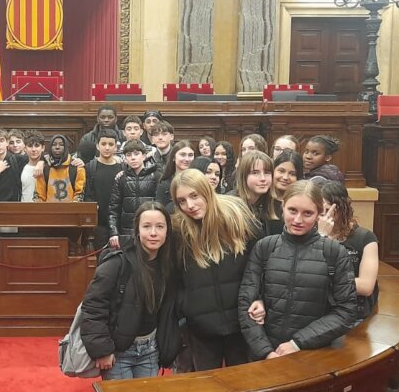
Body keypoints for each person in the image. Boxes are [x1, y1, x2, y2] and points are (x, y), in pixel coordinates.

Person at [238, 180, 358, 360]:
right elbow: (245, 303)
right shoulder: (265, 247)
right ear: (283, 207)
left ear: (319, 214)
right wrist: (265, 351)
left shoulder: (333, 252)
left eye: (307, 213)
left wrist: (297, 343)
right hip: (264, 354)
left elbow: (346, 311)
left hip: (311, 353)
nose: (298, 220)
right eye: (292, 210)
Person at [170, 170, 265, 371]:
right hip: (201, 328)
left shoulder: (239, 218)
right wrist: (186, 307)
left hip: (243, 322)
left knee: (244, 381)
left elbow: (261, 265)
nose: (190, 205)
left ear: (207, 191)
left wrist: (260, 298)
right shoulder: (179, 231)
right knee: (207, 383)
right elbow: (175, 278)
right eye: (182, 201)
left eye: (194, 196)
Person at [81, 202, 173, 380]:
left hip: (150, 350)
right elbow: (93, 308)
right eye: (147, 226)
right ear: (137, 230)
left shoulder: (167, 263)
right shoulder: (117, 262)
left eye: (160, 227)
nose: (153, 233)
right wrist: (102, 350)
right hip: (119, 352)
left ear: (167, 231)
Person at [319, 181, 379, 323]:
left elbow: (366, 286)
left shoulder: (365, 238)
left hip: (353, 309)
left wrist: (326, 281)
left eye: (326, 210)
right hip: (320, 307)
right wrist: (321, 236)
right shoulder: (314, 234)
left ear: (341, 208)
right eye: (317, 211)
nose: (321, 217)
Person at [108, 139, 158, 250]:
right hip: (127, 232)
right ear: (125, 158)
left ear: (144, 156)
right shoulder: (121, 178)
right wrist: (114, 232)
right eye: (129, 155)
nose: (133, 158)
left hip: (150, 229)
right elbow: (113, 208)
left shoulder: (155, 176)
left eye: (136, 154)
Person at [84, 129, 124, 250]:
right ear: (97, 145)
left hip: (119, 223)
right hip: (99, 223)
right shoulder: (90, 167)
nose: (107, 147)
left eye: (111, 144)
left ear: (116, 147)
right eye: (103, 144)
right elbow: (87, 193)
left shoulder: (122, 168)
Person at [234, 151, 282, 237]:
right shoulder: (232, 206)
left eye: (267, 173)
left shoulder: (270, 204)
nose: (263, 178)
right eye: (255, 173)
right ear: (243, 176)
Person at [35, 135, 86, 203]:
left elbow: (79, 194)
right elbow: (39, 196)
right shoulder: (43, 168)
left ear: (66, 147)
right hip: (48, 209)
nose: (57, 147)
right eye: (54, 144)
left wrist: (73, 207)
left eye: (61, 144)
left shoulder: (77, 167)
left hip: (71, 209)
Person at [155, 140, 195, 211]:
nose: (187, 159)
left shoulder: (198, 181)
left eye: (190, 155)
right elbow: (159, 211)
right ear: (173, 157)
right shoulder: (164, 184)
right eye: (183, 155)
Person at [21, 130, 47, 202]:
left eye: (37, 145)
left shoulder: (48, 165)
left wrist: (42, 162)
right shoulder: (20, 165)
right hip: (23, 207)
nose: (33, 149)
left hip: (43, 207)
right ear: (25, 148)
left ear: (43, 148)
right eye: (30, 146)